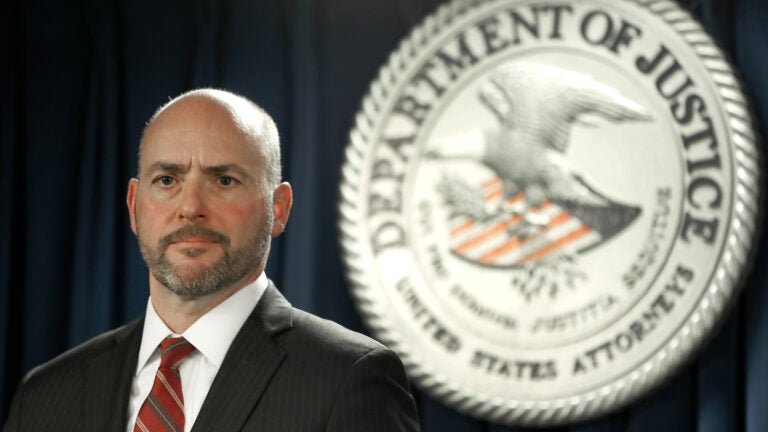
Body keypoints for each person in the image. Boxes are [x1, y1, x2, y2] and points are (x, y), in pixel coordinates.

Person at [3, 88, 420, 431]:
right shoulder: (45, 396)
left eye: (224, 180)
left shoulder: (348, 380)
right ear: (133, 206)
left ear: (278, 208)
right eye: (167, 179)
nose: (190, 208)